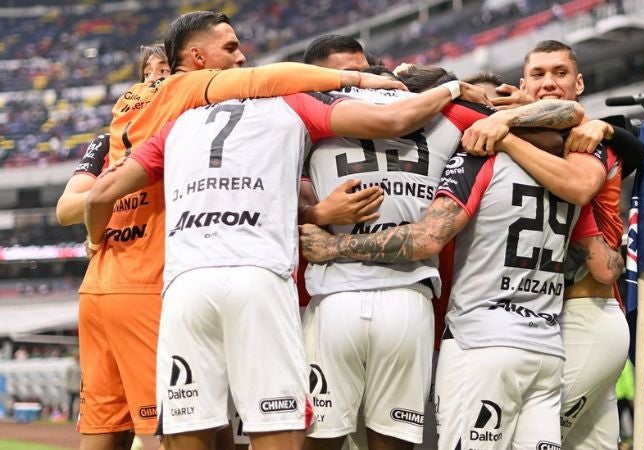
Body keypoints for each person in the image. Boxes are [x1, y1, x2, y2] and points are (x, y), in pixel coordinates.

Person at [83, 74, 489, 450]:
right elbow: (396, 119)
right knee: (284, 424)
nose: (242, 59)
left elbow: (98, 195)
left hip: (198, 284)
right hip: (326, 288)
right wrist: (452, 88)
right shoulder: (294, 104)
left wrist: (93, 237)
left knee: (199, 424)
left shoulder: (176, 125)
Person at [74, 11, 407, 450]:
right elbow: (267, 81)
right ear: (195, 58)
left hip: (143, 281)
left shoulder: (130, 121)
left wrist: (95, 238)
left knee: (158, 426)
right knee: (252, 422)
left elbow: (84, 200)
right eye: (231, 49)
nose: (241, 58)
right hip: (182, 280)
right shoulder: (196, 91)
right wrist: (374, 85)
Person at [301, 63, 584, 450]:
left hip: (336, 296)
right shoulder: (446, 113)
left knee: (319, 441)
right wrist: (500, 109)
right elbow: (568, 115)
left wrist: (317, 221)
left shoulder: (315, 107)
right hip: (409, 300)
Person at [462, 40, 644, 449]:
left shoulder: (585, 137)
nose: (549, 83)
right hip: (547, 322)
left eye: (560, 73)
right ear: (522, 84)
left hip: (586, 316)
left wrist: (506, 134)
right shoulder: (545, 137)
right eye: (539, 75)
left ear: (579, 83)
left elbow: (593, 175)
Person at [56, 44, 170, 227]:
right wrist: (114, 190)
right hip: (114, 251)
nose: (151, 80)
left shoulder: (182, 135)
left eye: (164, 71)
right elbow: (65, 210)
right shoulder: (107, 143)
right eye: (146, 74)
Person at [66, 353, 81, 422]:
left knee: (80, 403)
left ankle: (79, 417)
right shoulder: (71, 367)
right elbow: (68, 377)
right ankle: (70, 417)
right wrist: (68, 386)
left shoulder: (81, 366)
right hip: (72, 387)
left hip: (79, 388)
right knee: (71, 403)